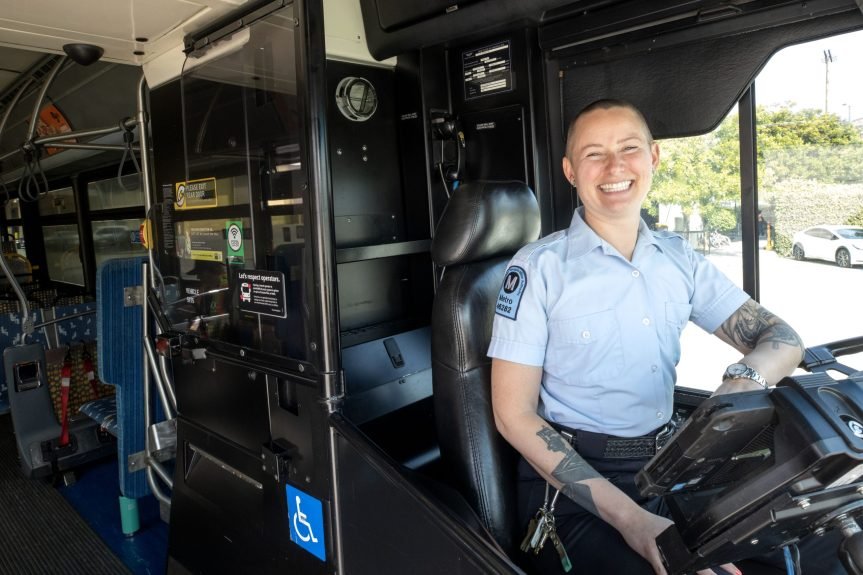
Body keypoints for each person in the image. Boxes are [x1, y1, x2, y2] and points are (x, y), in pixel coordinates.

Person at [487, 99, 835, 575]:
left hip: (668, 469)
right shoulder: (537, 270)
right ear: (570, 171)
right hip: (572, 485)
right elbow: (513, 416)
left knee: (806, 547)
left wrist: (743, 380)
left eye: (628, 148)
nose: (614, 167)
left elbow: (782, 336)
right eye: (594, 154)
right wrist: (632, 520)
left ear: (653, 157)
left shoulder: (679, 259)